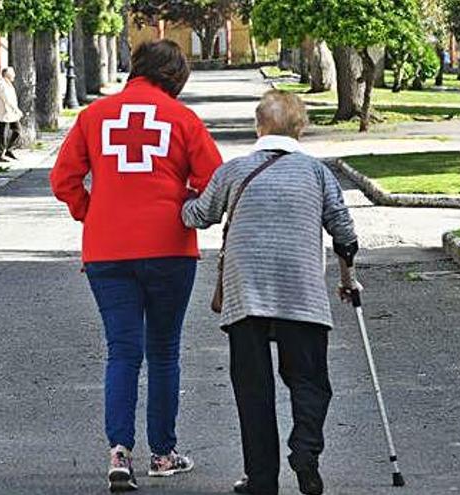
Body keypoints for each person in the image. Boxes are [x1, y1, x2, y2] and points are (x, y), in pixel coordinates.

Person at [50, 40, 222, 492]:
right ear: (176, 78)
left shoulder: (92, 117)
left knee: (122, 351)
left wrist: (92, 211)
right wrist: (184, 204)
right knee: (163, 351)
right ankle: (163, 455)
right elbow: (213, 183)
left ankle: (119, 452)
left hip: (107, 251)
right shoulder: (183, 119)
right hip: (169, 248)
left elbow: (62, 179)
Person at [182, 90, 360, 495]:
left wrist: (178, 193)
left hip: (245, 297)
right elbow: (344, 235)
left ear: (258, 126)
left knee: (253, 390)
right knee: (311, 381)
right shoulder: (317, 173)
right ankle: (306, 450)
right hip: (303, 296)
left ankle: (262, 480)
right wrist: (347, 279)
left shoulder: (233, 171)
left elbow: (198, 215)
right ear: (301, 129)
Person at [0, 67, 23, 162]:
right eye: (12, 73)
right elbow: (7, 99)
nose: (14, 75)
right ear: (7, 74)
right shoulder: (2, 84)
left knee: (17, 131)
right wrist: (16, 110)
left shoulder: (8, 83)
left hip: (11, 114)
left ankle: (8, 150)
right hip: (5, 113)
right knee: (3, 134)